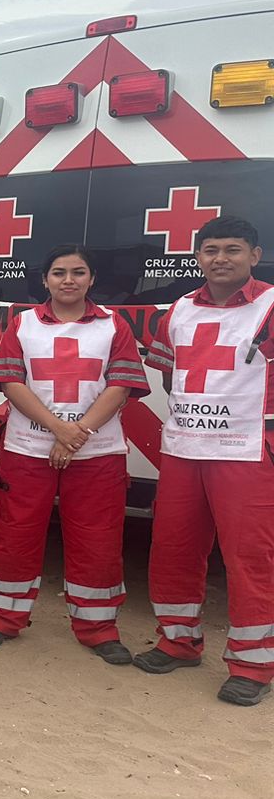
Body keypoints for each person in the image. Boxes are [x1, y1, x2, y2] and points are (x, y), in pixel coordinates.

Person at [0, 245, 148, 662]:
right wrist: (60, 431)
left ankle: (98, 627)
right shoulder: (23, 325)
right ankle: (2, 618)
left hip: (97, 451)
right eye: (59, 272)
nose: (69, 280)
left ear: (92, 279)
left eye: (78, 272)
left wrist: (77, 434)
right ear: (44, 280)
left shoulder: (113, 325)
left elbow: (120, 386)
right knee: (14, 533)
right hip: (28, 447)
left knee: (98, 538)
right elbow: (11, 383)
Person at [138, 214, 274, 706]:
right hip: (183, 449)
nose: (221, 259)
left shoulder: (270, 304)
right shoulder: (178, 309)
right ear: (197, 256)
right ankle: (179, 641)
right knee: (173, 548)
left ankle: (253, 665)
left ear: (255, 256)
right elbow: (170, 374)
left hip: (247, 453)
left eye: (233, 249)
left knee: (250, 558)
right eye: (211, 250)